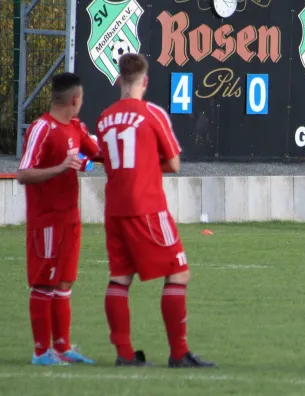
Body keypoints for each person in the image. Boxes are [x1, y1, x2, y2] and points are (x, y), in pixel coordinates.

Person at [96, 53, 216, 368]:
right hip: (146, 206)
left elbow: (107, 159)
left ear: (119, 79)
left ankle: (124, 354)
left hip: (115, 208)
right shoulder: (152, 114)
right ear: (145, 81)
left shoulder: (105, 117)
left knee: (120, 278)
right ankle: (179, 354)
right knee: (178, 273)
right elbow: (174, 164)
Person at [17, 72, 99, 366]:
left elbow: (98, 152)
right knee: (44, 285)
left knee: (64, 283)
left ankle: (62, 348)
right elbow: (23, 174)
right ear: (75, 99)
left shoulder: (76, 127)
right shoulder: (42, 128)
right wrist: (62, 167)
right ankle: (41, 352)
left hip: (70, 219)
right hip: (47, 222)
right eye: (82, 99)